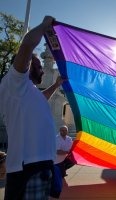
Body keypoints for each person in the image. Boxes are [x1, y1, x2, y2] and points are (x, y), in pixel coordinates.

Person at [0, 16, 65, 199]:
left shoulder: (29, 91)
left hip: (41, 166)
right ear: (27, 66)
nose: (43, 70)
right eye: (38, 66)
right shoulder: (15, 83)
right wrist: (45, 26)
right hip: (28, 167)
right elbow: (27, 45)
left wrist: (56, 85)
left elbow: (42, 99)